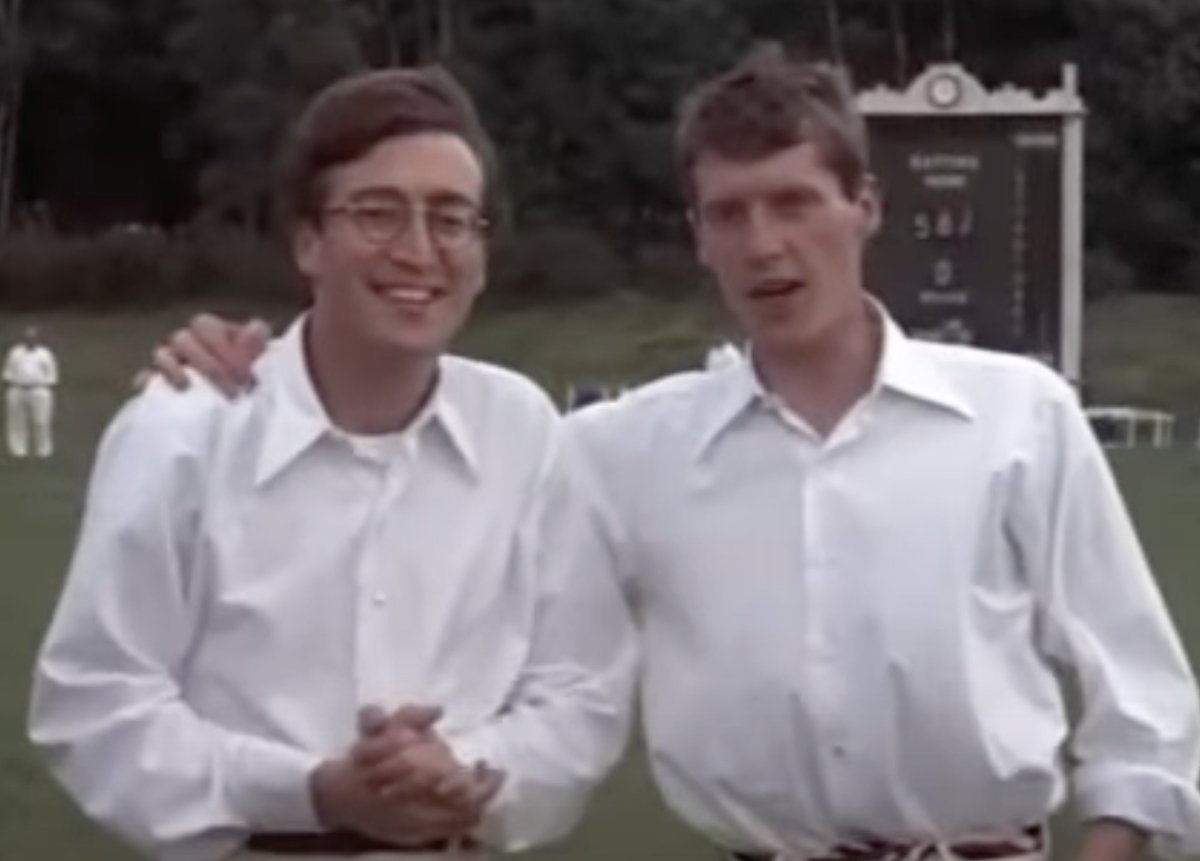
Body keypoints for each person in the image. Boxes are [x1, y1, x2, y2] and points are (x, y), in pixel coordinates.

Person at [144, 45, 1200, 861]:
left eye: (795, 201)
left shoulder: (1019, 415)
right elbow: (565, 680)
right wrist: (244, 357)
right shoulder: (619, 452)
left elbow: (1145, 699)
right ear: (698, 234)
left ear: (865, 207)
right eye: (729, 213)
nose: (765, 243)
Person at [28, 66, 634, 861]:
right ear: (308, 240)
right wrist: (312, 791)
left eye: (451, 218)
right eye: (378, 213)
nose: (418, 250)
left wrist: (464, 769)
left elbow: (581, 687)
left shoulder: (522, 429)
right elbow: (95, 705)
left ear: (483, 251)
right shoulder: (184, 432)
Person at [4, 325, 59, 458]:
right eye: (28, 338)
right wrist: (10, 384)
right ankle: (18, 450)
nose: (30, 340)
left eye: (33, 338)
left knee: (41, 421)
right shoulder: (15, 353)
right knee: (17, 421)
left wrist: (46, 386)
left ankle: (43, 450)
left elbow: (52, 374)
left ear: (37, 339)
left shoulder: (45, 354)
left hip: (39, 389)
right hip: (18, 389)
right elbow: (8, 371)